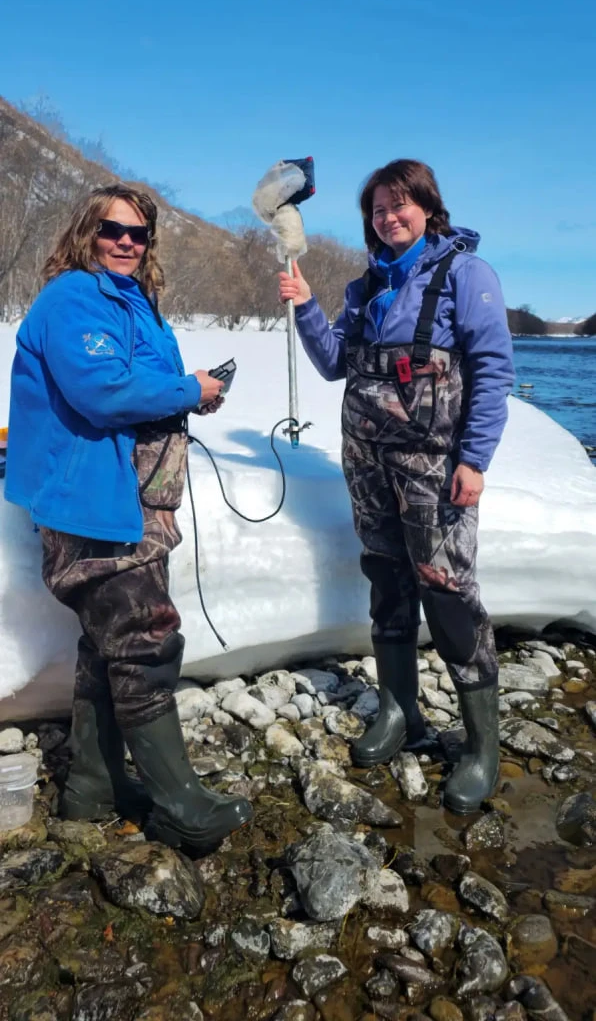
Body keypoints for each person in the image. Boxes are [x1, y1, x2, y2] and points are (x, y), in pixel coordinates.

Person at [5, 185, 253, 853]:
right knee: (145, 638)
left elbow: (135, 378)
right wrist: (187, 389)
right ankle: (181, 805)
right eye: (112, 230)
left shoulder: (132, 300)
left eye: (138, 234)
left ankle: (93, 786)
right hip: (92, 501)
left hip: (134, 499)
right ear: (86, 232)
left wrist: (188, 392)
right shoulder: (73, 298)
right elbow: (102, 390)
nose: (125, 242)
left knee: (107, 642)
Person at [279, 159, 514, 813]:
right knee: (386, 576)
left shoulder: (466, 275)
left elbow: (493, 371)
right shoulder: (366, 287)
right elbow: (334, 363)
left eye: (399, 205)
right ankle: (399, 710)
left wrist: (475, 459)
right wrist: (305, 306)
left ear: (427, 207)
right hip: (367, 461)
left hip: (435, 466)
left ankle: (482, 746)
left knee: (448, 592)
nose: (388, 218)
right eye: (378, 210)